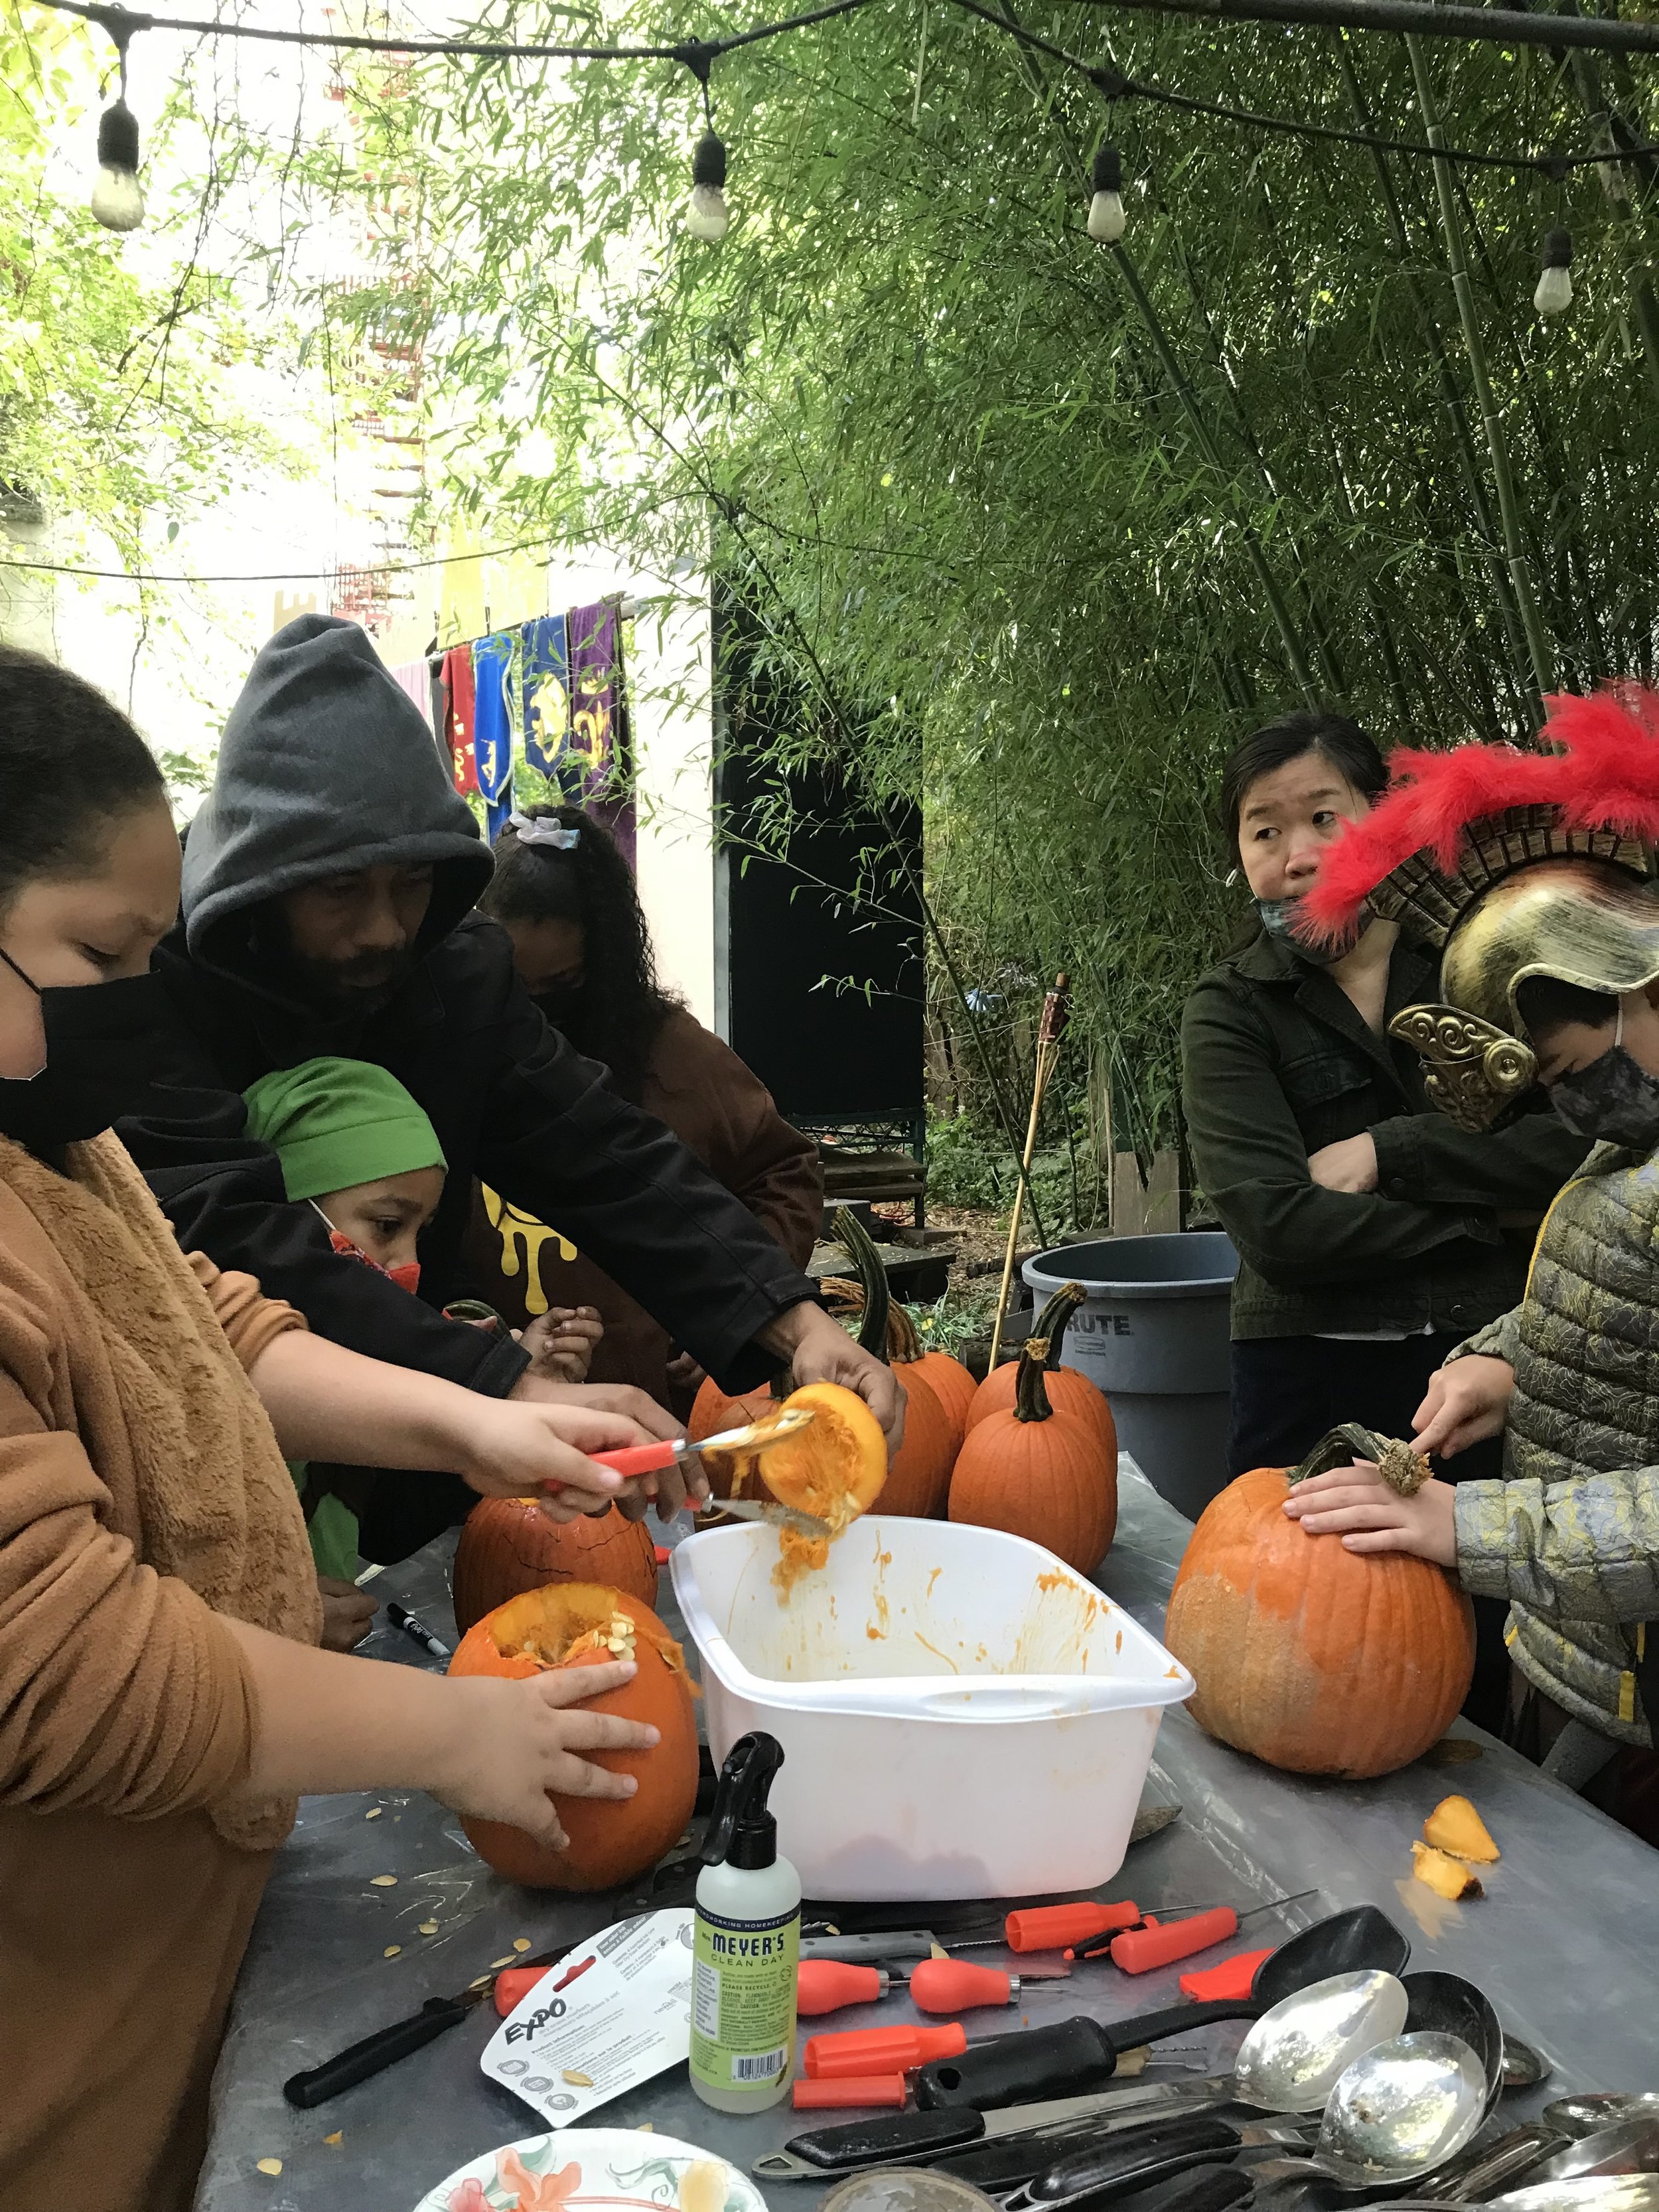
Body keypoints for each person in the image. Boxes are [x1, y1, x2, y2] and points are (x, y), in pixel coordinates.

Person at [0, 646, 670, 2209]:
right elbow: (66, 1666)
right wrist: (459, 1736)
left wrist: (470, 1421)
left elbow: (202, 1328)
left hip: (176, 1958)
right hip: (51, 2049)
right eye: (98, 958)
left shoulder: (43, 1135)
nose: (132, 1008)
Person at [118, 615, 898, 1560]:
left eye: (411, 886)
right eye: (339, 894)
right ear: (258, 881)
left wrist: (793, 1322)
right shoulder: (147, 991)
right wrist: (500, 1384)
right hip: (211, 1472)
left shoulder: (454, 976)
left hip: (435, 1463)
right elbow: (227, 1239)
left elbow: (608, 1154)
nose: (384, 931)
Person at [1280, 686, 1659, 1839]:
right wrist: (1505, 1362)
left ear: (1631, 973)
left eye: (1566, 1063)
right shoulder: (1634, 1140)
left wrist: (1471, 1529)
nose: (1574, 1098)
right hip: (1587, 1658)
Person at [1181, 709, 1587, 1730]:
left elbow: (1576, 1153)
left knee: (1490, 1660)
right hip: (1304, 1374)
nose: (1295, 852)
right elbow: (1278, 1228)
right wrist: (1482, 1219)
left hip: (1476, 1374)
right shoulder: (1229, 1012)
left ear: (1385, 821)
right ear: (1240, 856)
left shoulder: (1485, 969)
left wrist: (1389, 1153)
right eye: (1263, 830)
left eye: (1324, 815)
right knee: (1288, 1651)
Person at [463, 804, 824, 1414]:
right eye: (517, 989)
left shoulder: (676, 1057)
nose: (535, 1017)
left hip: (656, 1420)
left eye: (562, 986)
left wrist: (728, 1310)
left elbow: (785, 1172)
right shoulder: (462, 1052)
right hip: (496, 1411)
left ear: (604, 964)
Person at [240, 1055, 601, 1649]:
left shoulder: (365, 1360)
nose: (408, 1263)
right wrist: (271, 1618)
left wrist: (504, 1392)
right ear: (286, 1216)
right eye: (385, 1225)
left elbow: (384, 1528)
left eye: (420, 1233)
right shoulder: (203, 1386)